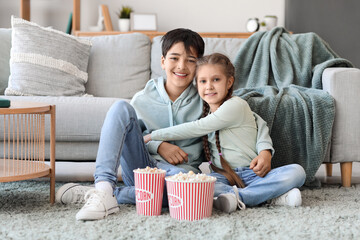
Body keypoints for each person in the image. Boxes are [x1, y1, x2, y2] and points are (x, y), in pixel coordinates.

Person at [55, 28, 278, 221]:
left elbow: (253, 119)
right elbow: (133, 138)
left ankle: (106, 194)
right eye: (174, 58)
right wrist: (159, 145)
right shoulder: (143, 98)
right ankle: (103, 188)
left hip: (182, 177)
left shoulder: (206, 95)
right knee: (119, 108)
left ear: (199, 66)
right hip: (142, 168)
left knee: (186, 194)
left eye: (191, 60)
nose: (181, 66)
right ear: (162, 61)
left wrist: (265, 150)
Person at [144, 53, 306, 213]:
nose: (209, 86)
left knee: (297, 172)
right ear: (197, 85)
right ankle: (269, 197)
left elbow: (197, 127)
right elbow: (258, 122)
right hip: (223, 176)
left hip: (254, 173)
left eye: (216, 80)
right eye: (203, 81)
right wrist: (156, 145)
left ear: (229, 82)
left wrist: (153, 135)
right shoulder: (206, 113)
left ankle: (240, 197)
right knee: (198, 184)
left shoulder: (235, 105)